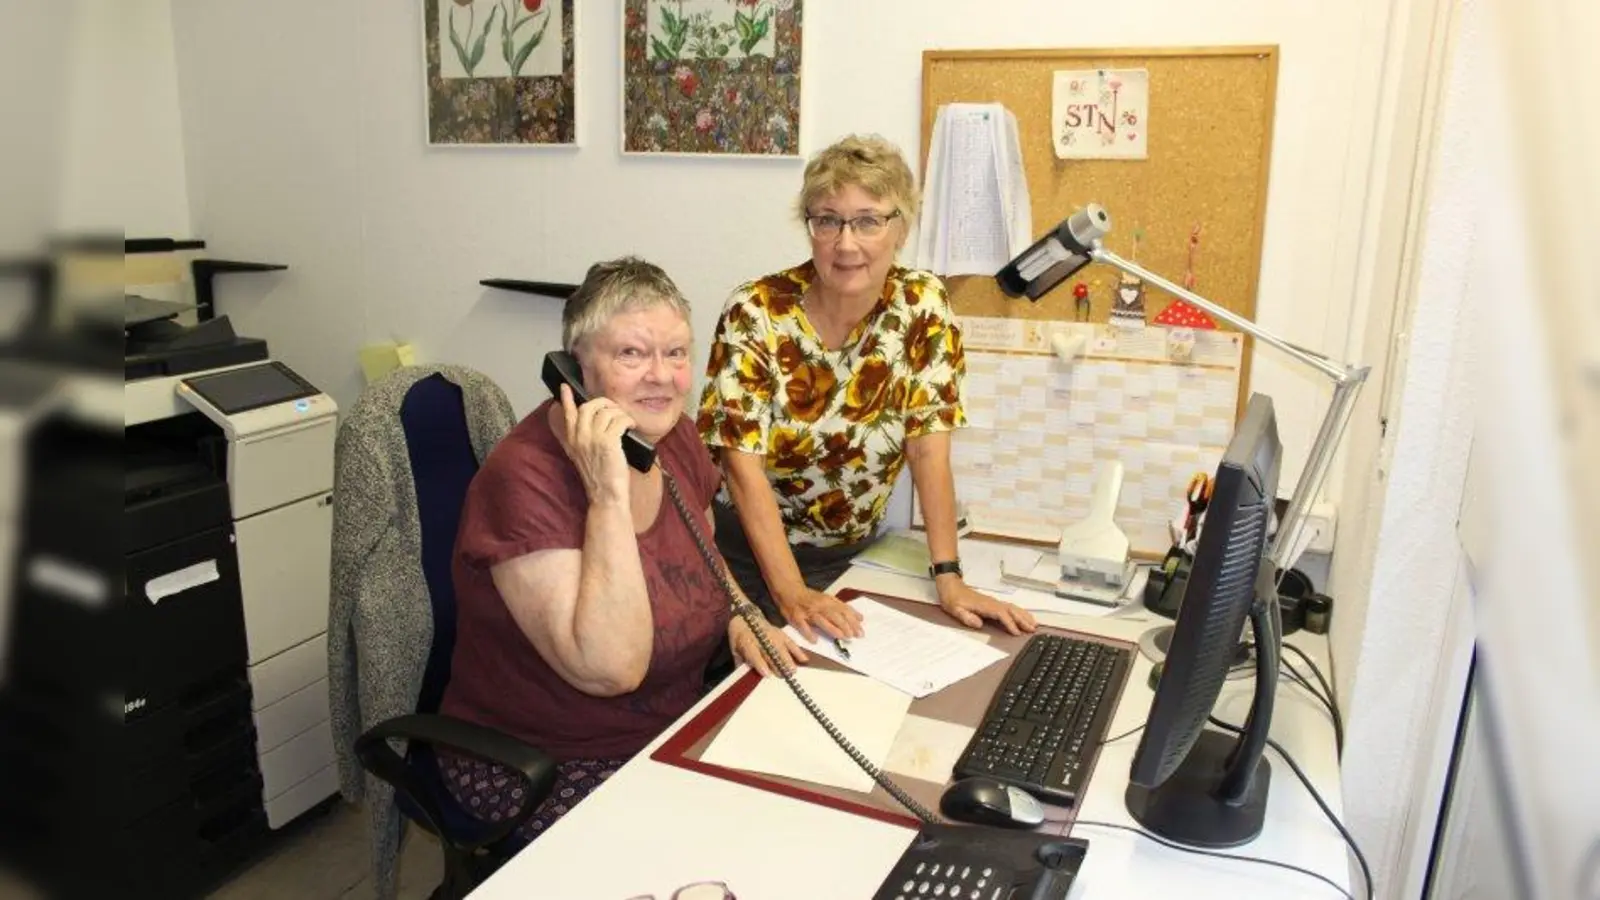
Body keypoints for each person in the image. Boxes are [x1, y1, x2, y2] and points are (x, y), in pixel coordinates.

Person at [437, 256, 806, 843]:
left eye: (677, 354)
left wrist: (742, 614)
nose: (661, 377)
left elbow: (705, 554)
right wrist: (607, 493)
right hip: (548, 761)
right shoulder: (523, 479)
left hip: (670, 729)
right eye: (632, 355)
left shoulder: (673, 435)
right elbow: (610, 671)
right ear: (575, 370)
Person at [697, 134, 1038, 645]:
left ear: (900, 228)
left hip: (849, 557)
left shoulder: (922, 307)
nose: (846, 243)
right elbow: (741, 466)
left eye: (868, 220)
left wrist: (949, 576)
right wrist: (790, 592)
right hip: (741, 556)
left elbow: (928, 448)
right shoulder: (756, 311)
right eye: (828, 220)